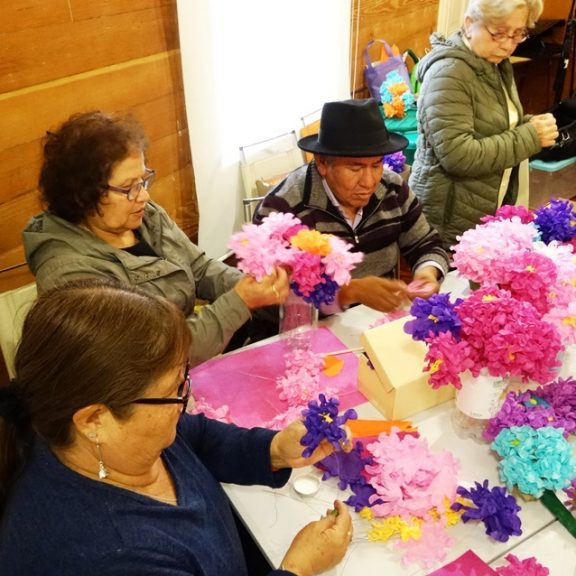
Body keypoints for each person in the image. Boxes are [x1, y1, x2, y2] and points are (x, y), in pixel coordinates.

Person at [0, 279, 352, 576]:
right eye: (175, 390)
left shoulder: (116, 432)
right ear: (94, 420)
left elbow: (193, 436)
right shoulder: (110, 556)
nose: (185, 399)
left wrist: (274, 449)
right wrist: (298, 567)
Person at [22, 111, 289, 367]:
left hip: (189, 358)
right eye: (128, 188)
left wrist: (251, 285)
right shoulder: (69, 275)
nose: (144, 196)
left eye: (143, 181)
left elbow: (199, 268)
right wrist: (240, 301)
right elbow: (151, 356)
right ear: (82, 195)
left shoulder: (143, 215)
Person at [253, 98, 450, 313]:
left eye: (376, 165)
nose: (369, 181)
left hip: (380, 319)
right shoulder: (282, 209)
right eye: (355, 169)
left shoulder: (392, 187)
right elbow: (270, 298)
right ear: (322, 163)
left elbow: (426, 243)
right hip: (314, 330)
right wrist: (349, 292)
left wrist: (427, 272)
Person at [409, 0, 559, 251]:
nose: (507, 44)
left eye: (518, 33)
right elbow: (458, 155)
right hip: (448, 219)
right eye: (498, 33)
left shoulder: (493, 62)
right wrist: (529, 136)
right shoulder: (449, 73)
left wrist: (526, 123)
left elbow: (490, 125)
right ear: (469, 24)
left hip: (481, 207)